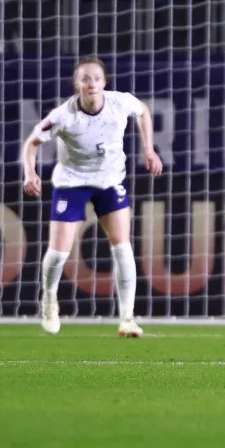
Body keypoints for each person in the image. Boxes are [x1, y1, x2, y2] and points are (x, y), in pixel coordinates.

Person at [21, 56, 164, 338]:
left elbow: (143, 111)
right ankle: (49, 298)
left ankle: (127, 318)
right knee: (60, 250)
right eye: (85, 79)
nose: (91, 84)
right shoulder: (63, 115)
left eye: (96, 78)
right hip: (72, 182)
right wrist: (29, 173)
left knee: (122, 246)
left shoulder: (119, 102)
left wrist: (149, 149)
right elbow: (32, 142)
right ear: (77, 85)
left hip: (110, 180)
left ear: (104, 82)